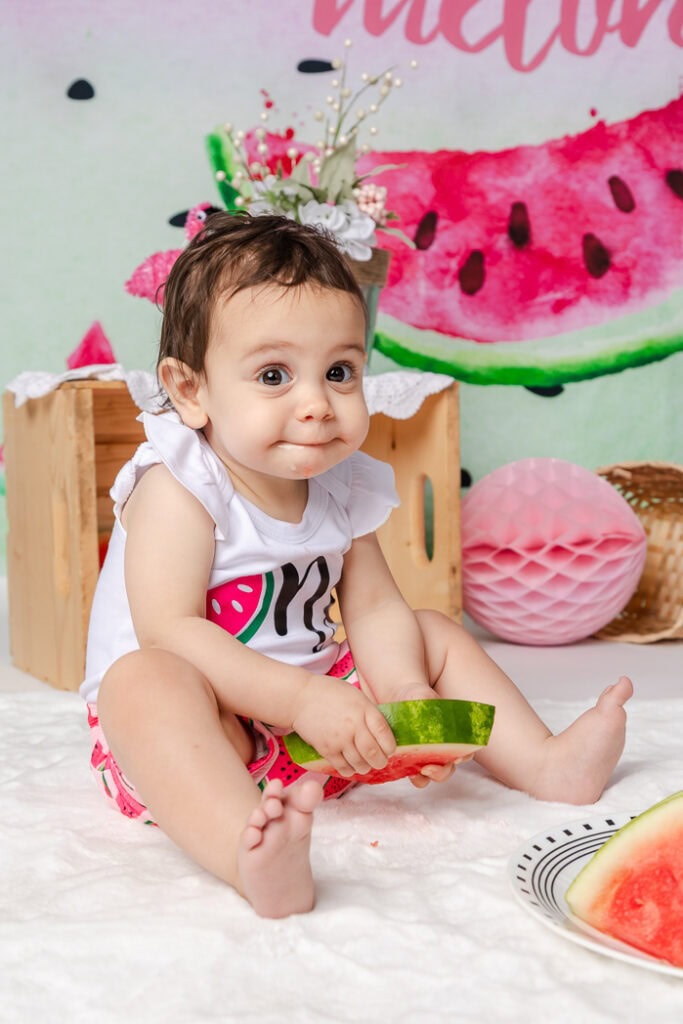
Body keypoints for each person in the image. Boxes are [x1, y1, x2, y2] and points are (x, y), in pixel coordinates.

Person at [81, 212, 633, 919]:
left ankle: (544, 763)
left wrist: (403, 695)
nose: (317, 405)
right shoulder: (181, 485)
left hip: (323, 735)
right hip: (204, 736)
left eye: (339, 372)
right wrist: (303, 701)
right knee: (144, 682)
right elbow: (170, 630)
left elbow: (372, 608)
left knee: (430, 630)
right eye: (274, 375)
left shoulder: (340, 483)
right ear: (190, 391)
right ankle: (243, 849)